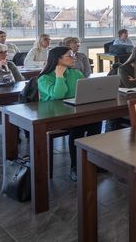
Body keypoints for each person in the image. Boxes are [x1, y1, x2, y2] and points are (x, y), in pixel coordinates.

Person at [36, 47, 101, 181]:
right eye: (70, 56)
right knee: (78, 127)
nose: (74, 58)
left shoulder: (76, 73)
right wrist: (59, 76)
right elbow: (58, 95)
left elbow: (84, 92)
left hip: (73, 112)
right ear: (58, 59)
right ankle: (75, 166)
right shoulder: (44, 78)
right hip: (53, 116)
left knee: (96, 121)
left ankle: (92, 162)